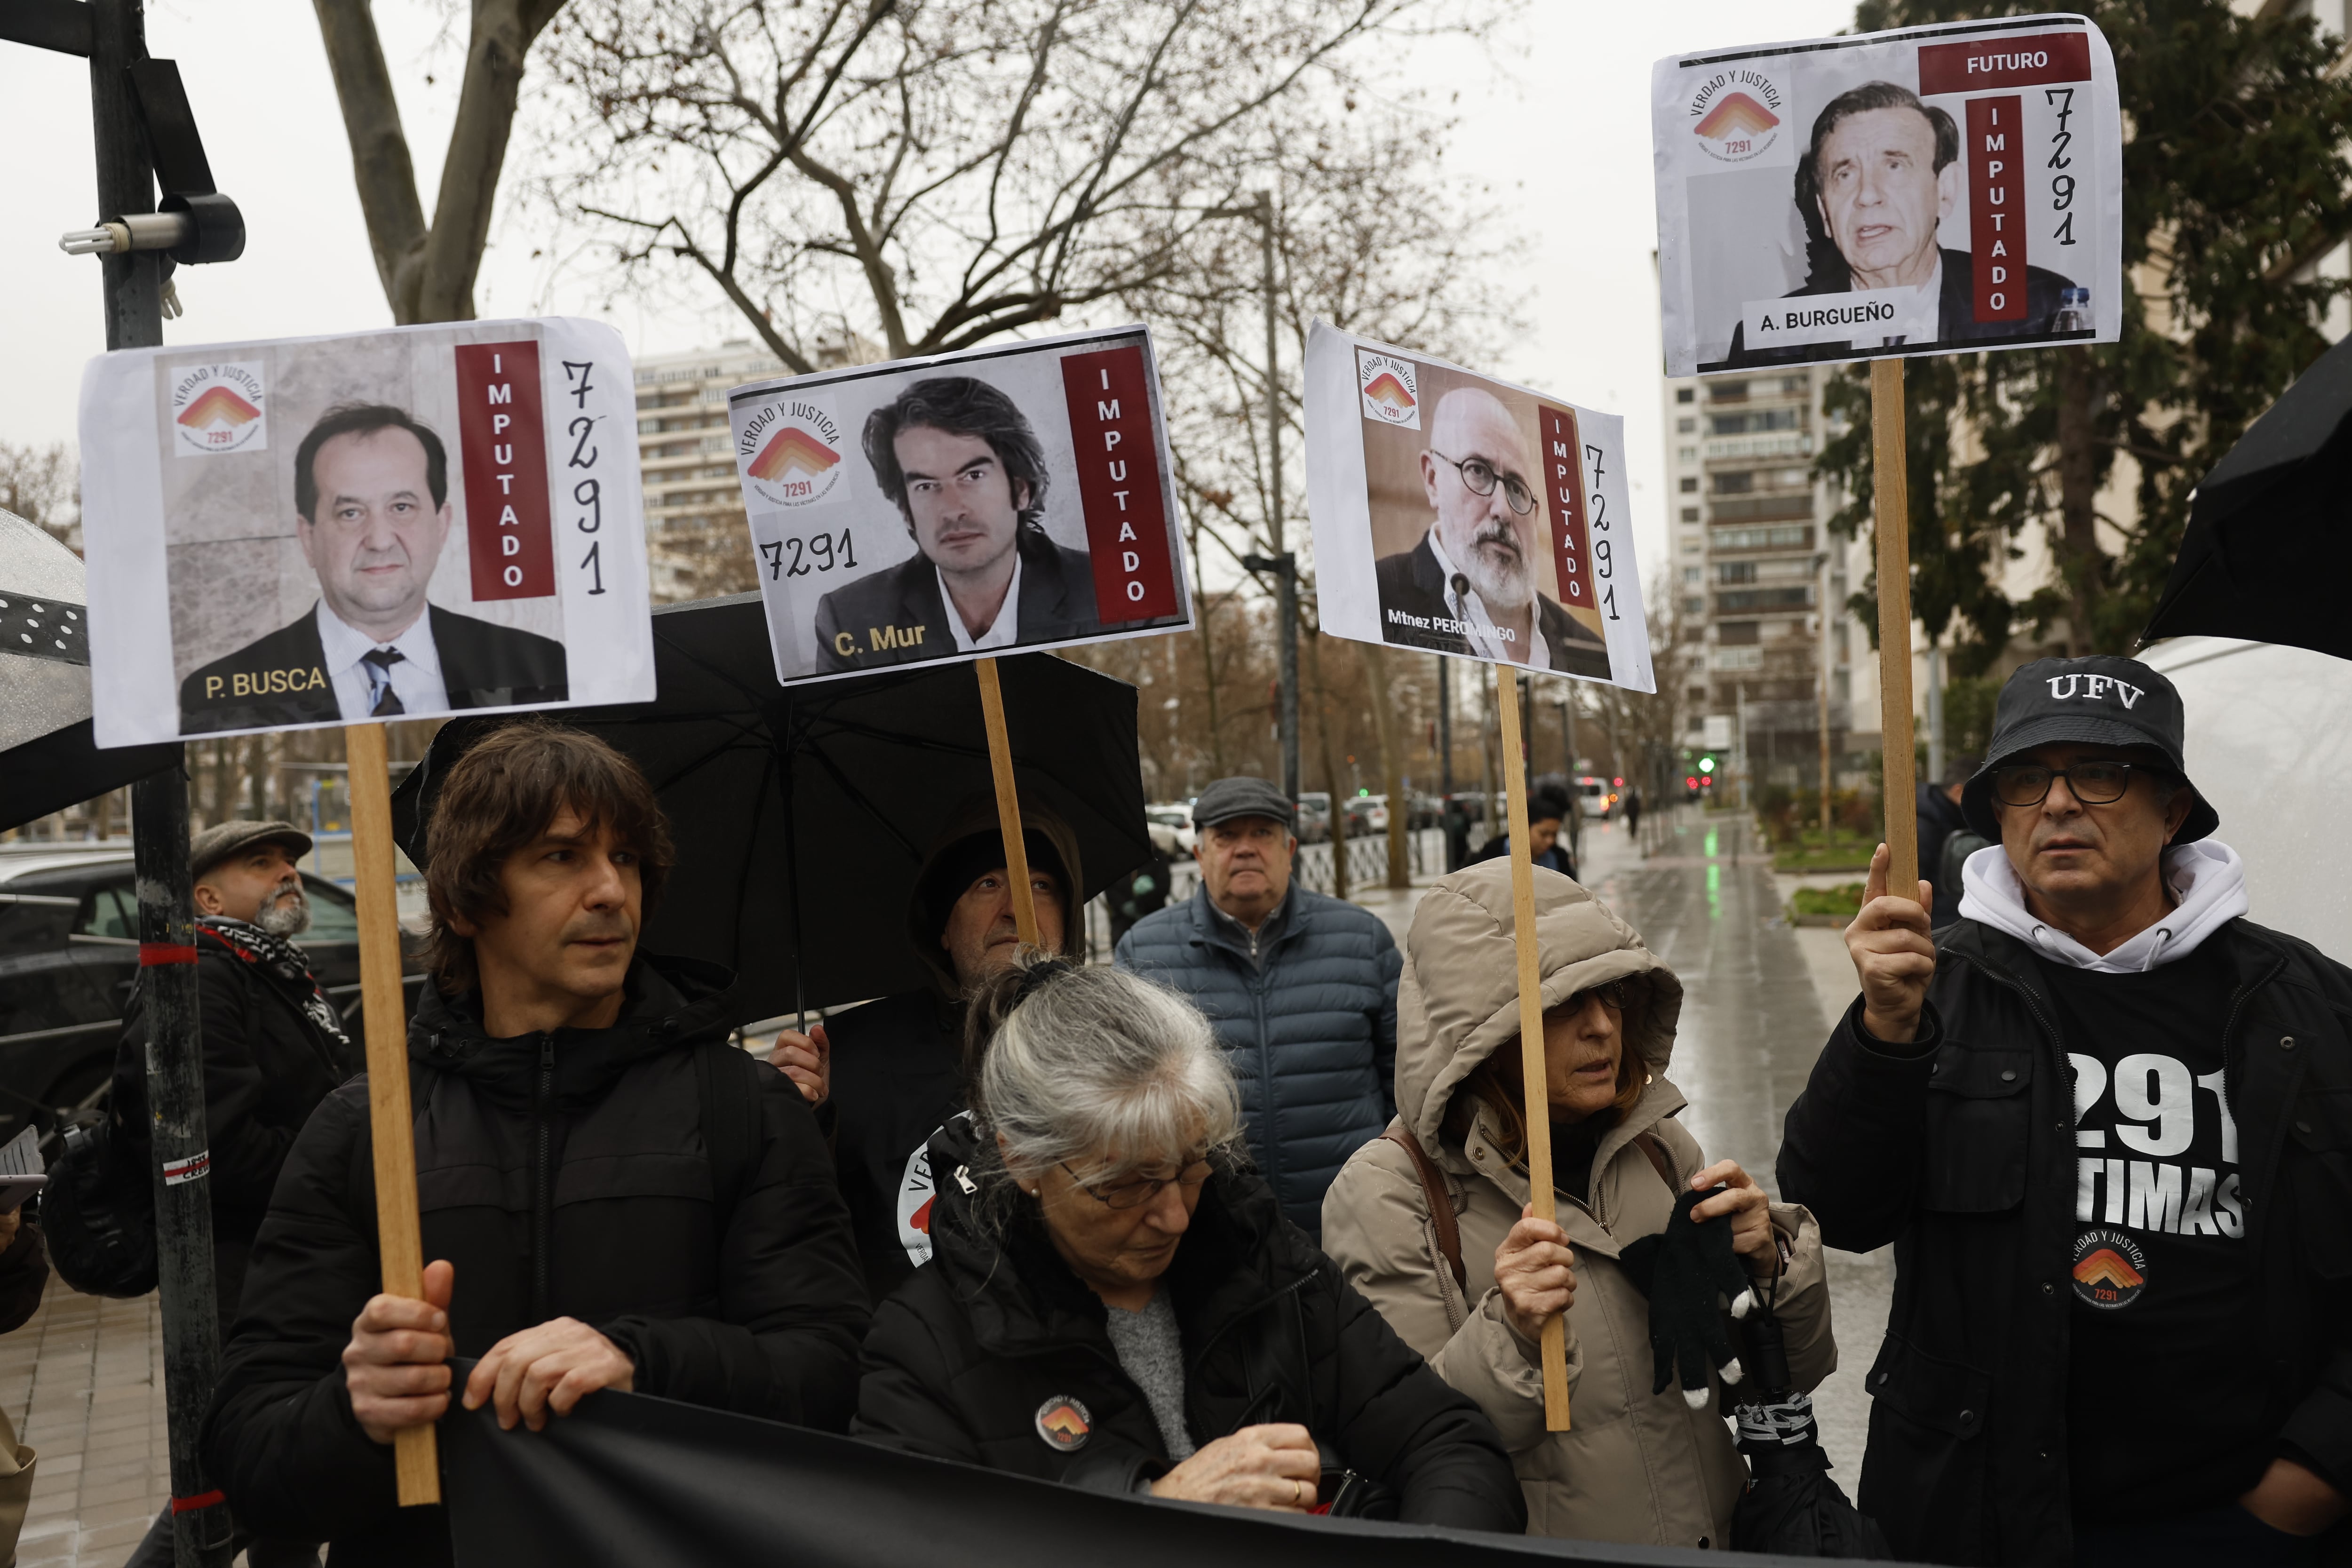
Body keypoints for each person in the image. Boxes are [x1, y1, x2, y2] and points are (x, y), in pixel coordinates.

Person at [202, 722, 868, 1568]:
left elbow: (831, 1375)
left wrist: (644, 1361)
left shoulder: (744, 1106)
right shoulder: (362, 1130)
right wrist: (358, 1409)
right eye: (561, 857)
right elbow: (251, 1454)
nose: (609, 892)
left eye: (625, 859)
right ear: (462, 901)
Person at [1778, 655, 2352, 1566]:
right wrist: (1883, 1033)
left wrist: (2315, 1475)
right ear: (1997, 811)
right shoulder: (1933, 988)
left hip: (2241, 1519)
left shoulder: (2306, 1004)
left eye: (2099, 772)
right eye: (2024, 778)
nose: (2055, 804)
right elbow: (1836, 1208)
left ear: (2170, 809)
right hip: (1981, 1516)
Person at [855, 955, 1526, 1530]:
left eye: (1189, 1164)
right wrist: (1149, 1517)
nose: (1175, 1215)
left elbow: (1450, 1444)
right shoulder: (926, 1345)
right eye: (1126, 1185)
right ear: (1023, 1160)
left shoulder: (1256, 1249)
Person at [1321, 860, 1834, 1546]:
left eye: (1613, 996)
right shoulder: (1390, 1194)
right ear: (1481, 1031)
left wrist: (1767, 1266)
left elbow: (1774, 1377)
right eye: (1562, 1004)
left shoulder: (1657, 1146)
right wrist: (1511, 1334)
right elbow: (1406, 1440)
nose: (1602, 1028)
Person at [768, 796, 1086, 1304]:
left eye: (1040, 886)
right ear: (942, 927)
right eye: (987, 883)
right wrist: (802, 1123)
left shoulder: (1114, 1046)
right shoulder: (848, 1054)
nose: (1013, 908)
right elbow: (796, 1236)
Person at [1115, 777, 1401, 1239]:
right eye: (1226, 837)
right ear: (1199, 856)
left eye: (1261, 834)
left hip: (1353, 1225)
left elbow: (1404, 1082)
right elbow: (1128, 1101)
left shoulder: (1362, 940)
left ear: (1290, 849)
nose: (1245, 850)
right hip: (1213, 1233)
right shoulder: (1144, 953)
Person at [179, 404, 569, 732]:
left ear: (441, 524)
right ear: (309, 537)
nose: (380, 540)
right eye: (350, 512)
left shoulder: (537, 668)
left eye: (401, 507)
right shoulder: (219, 696)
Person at [111, 821, 359, 1328]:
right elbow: (217, 1148)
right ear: (209, 898)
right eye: (262, 863)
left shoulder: (275, 970)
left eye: (290, 863)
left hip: (302, 1244)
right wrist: (341, 1164)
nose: (289, 873)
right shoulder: (198, 981)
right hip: (249, 1269)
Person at [1721, 81, 2076, 367]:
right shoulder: (1769, 342)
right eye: (1845, 174)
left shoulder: (2042, 306)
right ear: (1825, 212)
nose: (1867, 195)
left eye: (1894, 166)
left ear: (1945, 189)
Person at [814, 377, 1098, 671]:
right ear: (905, 511)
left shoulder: (1106, 590)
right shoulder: (850, 620)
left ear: (1022, 489)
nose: (952, 509)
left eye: (973, 476)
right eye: (926, 486)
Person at [1372, 387, 1610, 676]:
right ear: (1433, 480)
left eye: (1516, 489)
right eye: (1478, 471)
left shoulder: (1588, 652)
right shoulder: (1375, 596)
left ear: (1535, 516)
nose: (1504, 511)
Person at [1915, 752, 1980, 929]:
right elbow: (1912, 887)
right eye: (1979, 794)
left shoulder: (1950, 816)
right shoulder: (1922, 826)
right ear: (1959, 791)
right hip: (1938, 930)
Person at [1465, 788, 1577, 880]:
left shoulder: (1558, 858)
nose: (1550, 841)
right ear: (1525, 827)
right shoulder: (1491, 854)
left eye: (1554, 835)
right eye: (1544, 834)